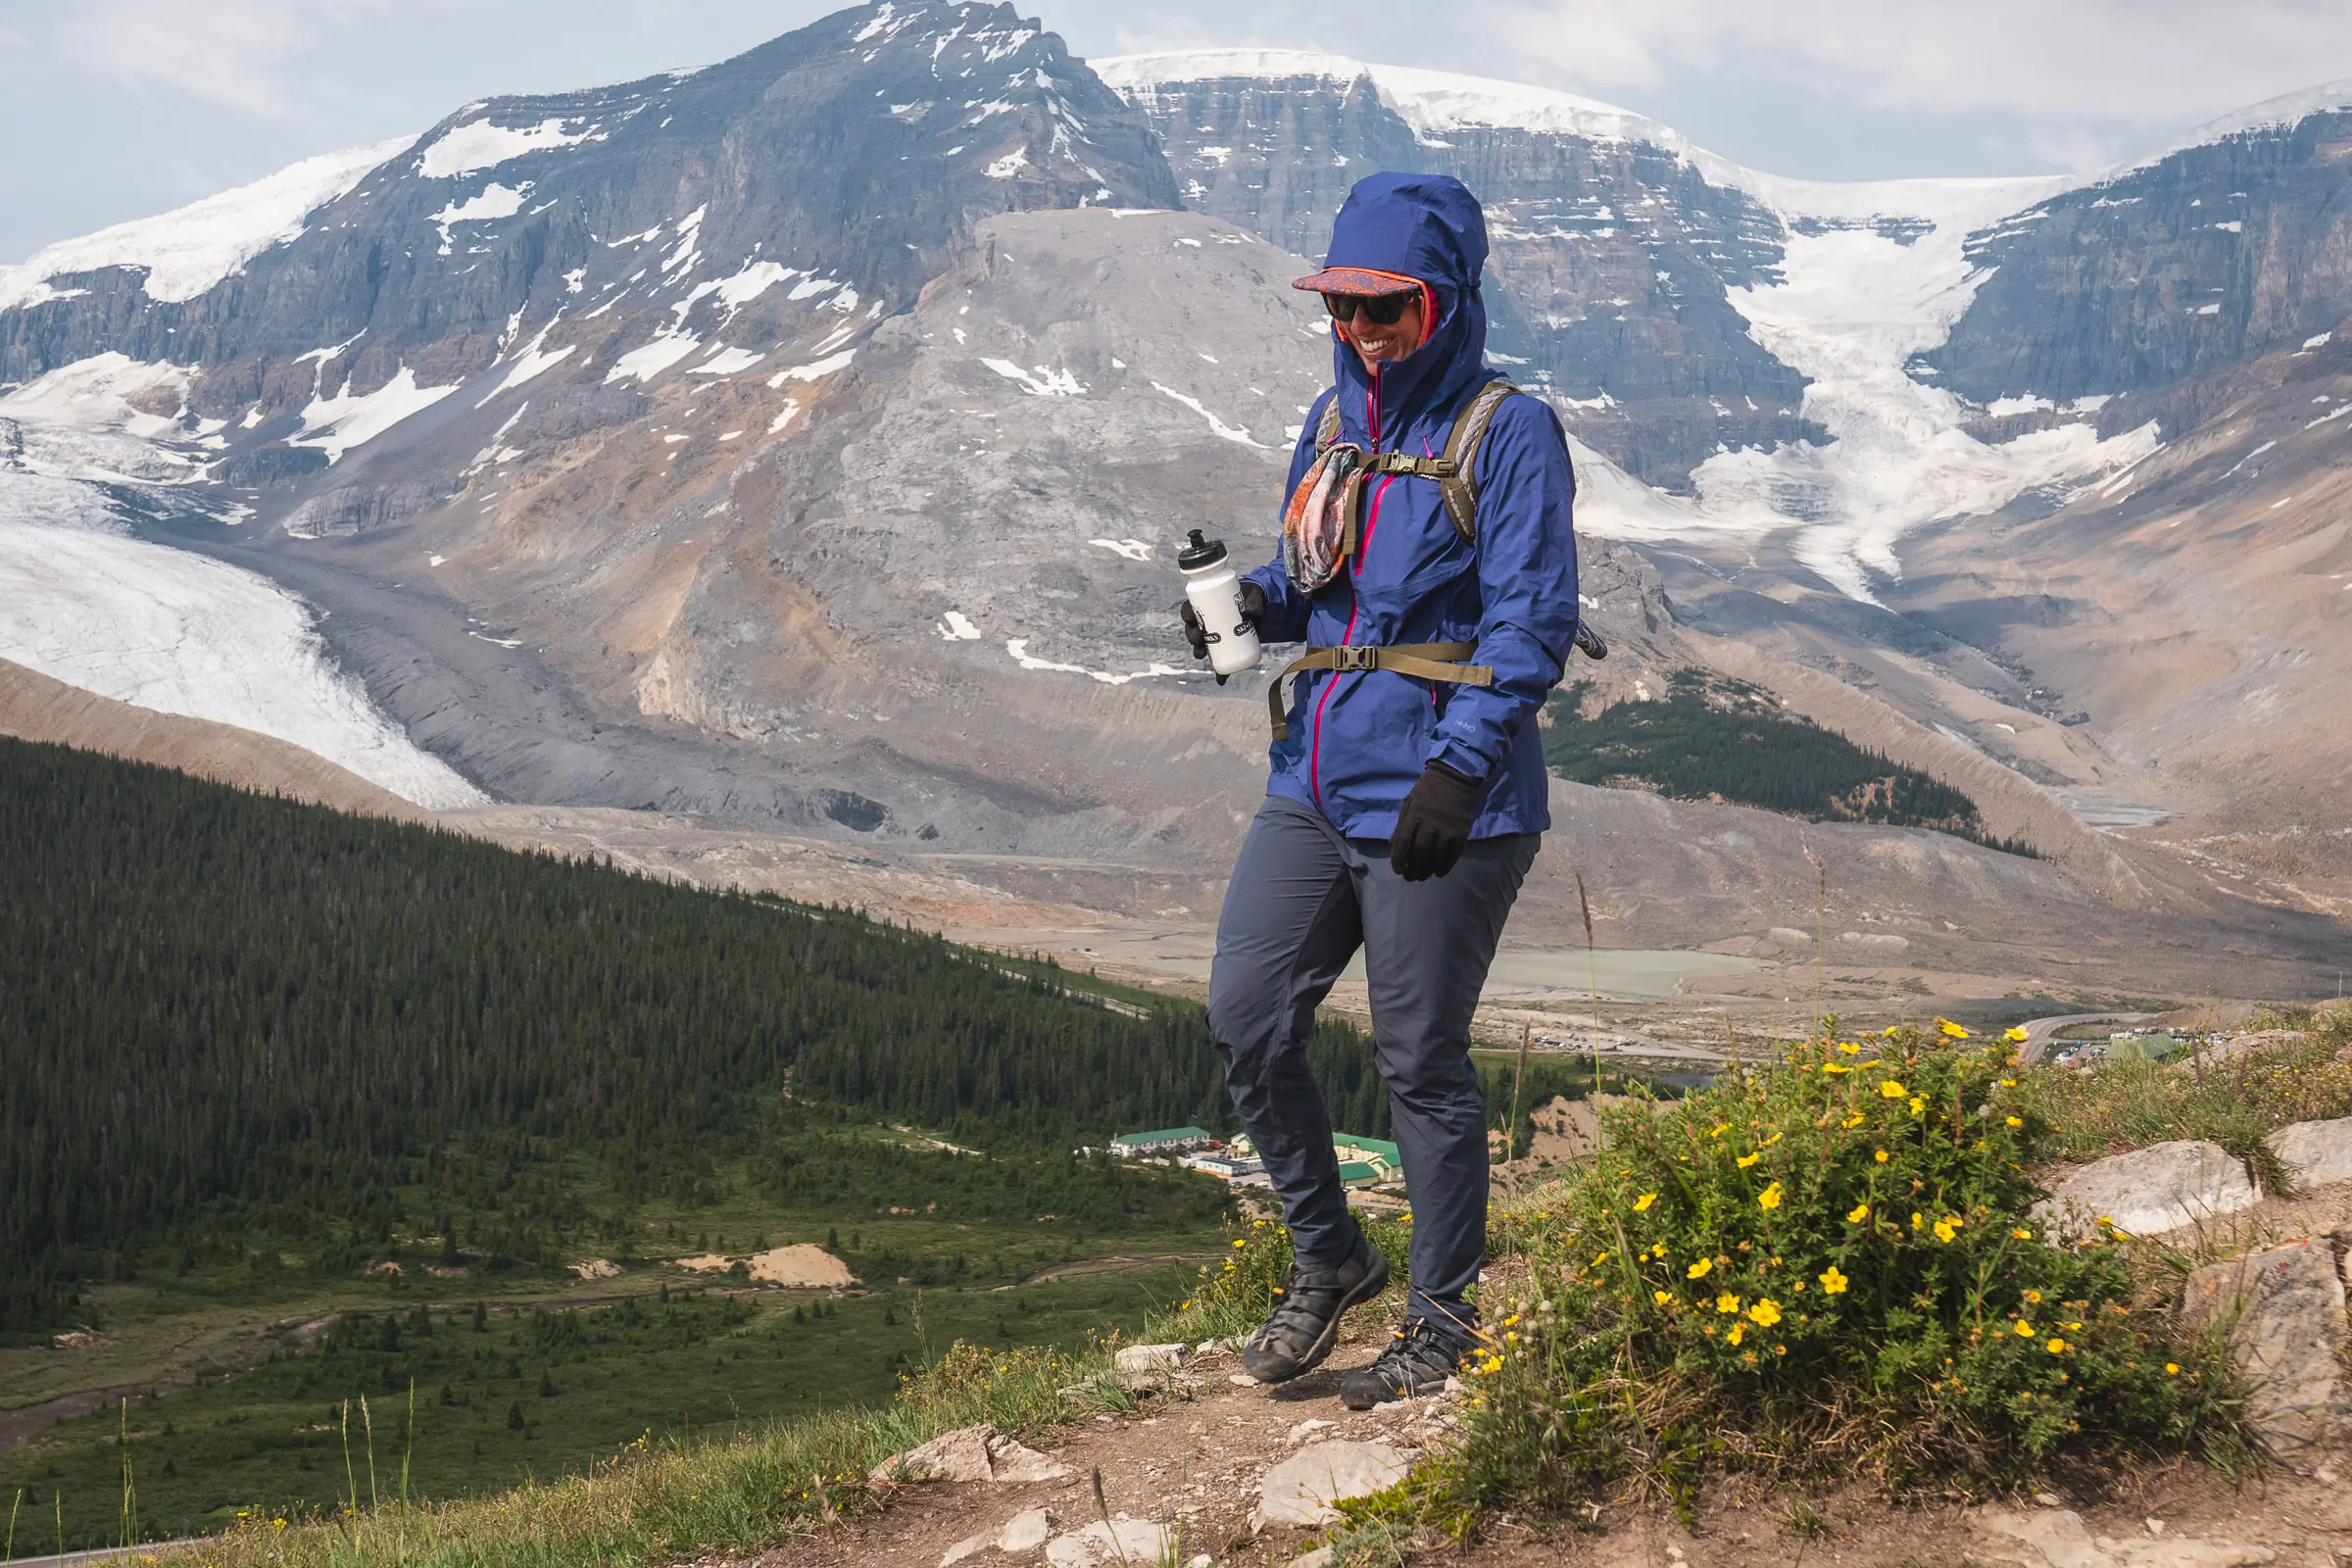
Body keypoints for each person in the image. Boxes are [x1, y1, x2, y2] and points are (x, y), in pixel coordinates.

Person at [1179, 172, 1580, 1409]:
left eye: (1385, 309)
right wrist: (1250, 601)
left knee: (1419, 1060)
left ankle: (1446, 1322)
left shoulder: (1506, 429)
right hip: (1313, 775)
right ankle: (1330, 1257)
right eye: (1341, 308)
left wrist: (1461, 766)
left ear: (1444, 300)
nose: (1359, 331)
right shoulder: (1331, 420)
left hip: (1441, 799)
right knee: (1247, 1014)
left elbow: (1532, 620)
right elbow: (1319, 583)